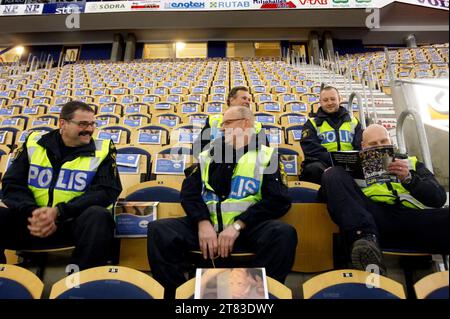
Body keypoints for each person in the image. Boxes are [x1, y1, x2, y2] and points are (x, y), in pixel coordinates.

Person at [147, 106, 297, 298]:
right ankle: (181, 295)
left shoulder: (267, 156)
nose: (222, 128)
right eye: (221, 124)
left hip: (246, 229)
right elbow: (189, 194)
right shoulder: (208, 155)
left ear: (245, 124)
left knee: (283, 234)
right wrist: (202, 223)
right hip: (208, 226)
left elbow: (279, 200)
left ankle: (256, 294)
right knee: (159, 230)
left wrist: (238, 225)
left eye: (227, 123)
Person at [0, 101, 122, 269]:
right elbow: (12, 184)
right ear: (62, 123)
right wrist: (35, 212)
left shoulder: (103, 150)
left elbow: (106, 191)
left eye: (92, 123)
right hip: (31, 220)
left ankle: (79, 284)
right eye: (82, 124)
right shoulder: (34, 143)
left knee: (98, 216)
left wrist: (58, 212)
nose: (89, 129)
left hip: (71, 223)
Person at [319, 124, 449, 274]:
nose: (379, 147)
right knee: (332, 174)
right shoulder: (350, 166)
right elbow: (332, 198)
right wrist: (330, 177)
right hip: (372, 220)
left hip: (412, 219)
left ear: (391, 142)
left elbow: (438, 198)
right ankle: (366, 243)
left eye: (383, 142)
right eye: (373, 144)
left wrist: (409, 179)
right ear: (363, 146)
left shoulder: (412, 163)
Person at [300, 85, 363, 184]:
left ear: (339, 99)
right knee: (313, 169)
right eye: (325, 100)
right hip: (323, 165)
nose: (329, 103)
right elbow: (312, 150)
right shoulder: (311, 123)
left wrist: (349, 161)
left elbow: (360, 145)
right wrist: (335, 161)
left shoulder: (353, 121)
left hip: (351, 164)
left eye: (333, 99)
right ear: (320, 102)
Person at [194, 86, 266, 156]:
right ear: (231, 100)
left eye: (249, 100)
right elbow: (198, 148)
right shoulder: (214, 121)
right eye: (244, 98)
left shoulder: (257, 126)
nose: (247, 102)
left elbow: (264, 153)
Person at [199, 268, 265, 299]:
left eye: (231, 283)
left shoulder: (221, 270)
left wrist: (208, 274)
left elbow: (203, 280)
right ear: (249, 281)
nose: (234, 278)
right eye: (239, 283)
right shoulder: (258, 273)